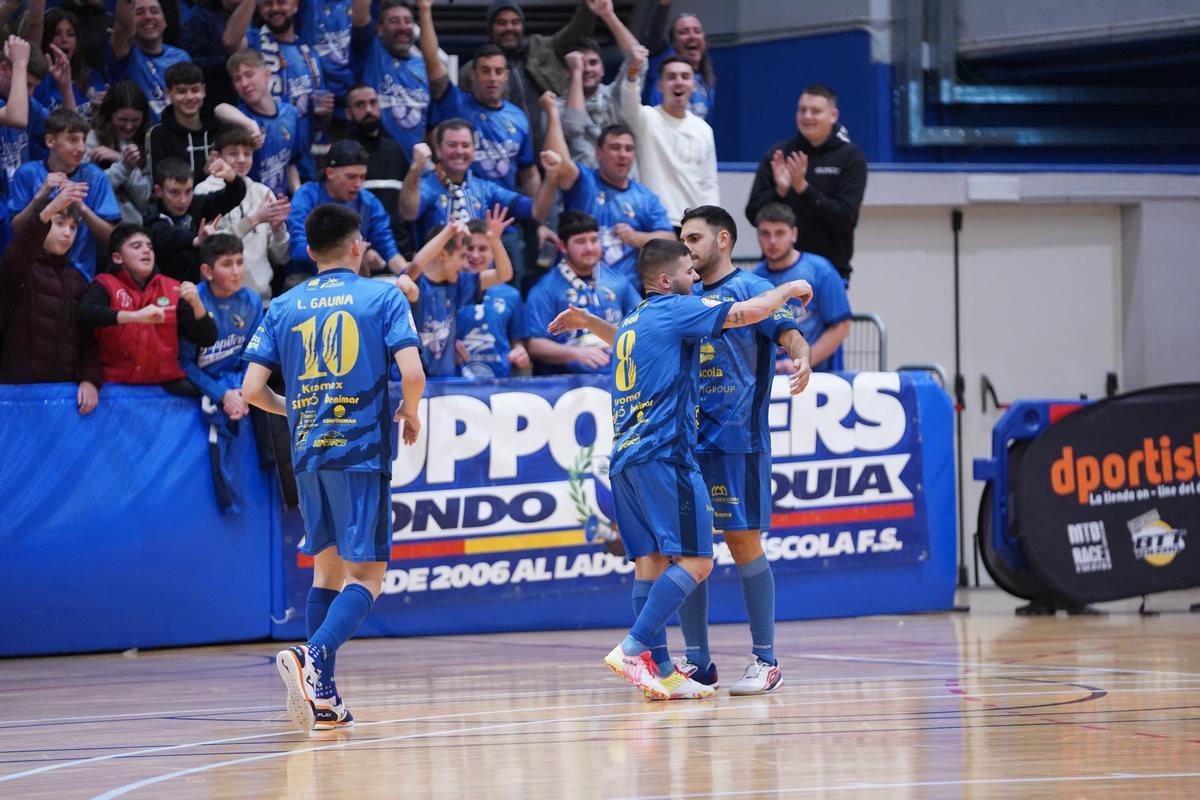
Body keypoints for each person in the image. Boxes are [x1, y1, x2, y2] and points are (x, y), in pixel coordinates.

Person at [546, 238, 812, 700]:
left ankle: (664, 671)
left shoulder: (633, 320)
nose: (697, 278)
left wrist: (590, 322)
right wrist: (788, 288)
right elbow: (744, 314)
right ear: (667, 280)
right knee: (697, 560)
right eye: (689, 270)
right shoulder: (674, 308)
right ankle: (635, 648)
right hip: (665, 454)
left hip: (625, 459)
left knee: (650, 563)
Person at [242, 202, 425, 732]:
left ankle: (322, 694)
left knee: (327, 572)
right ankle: (312, 657)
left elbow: (252, 391)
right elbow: (411, 372)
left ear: (308, 250)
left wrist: (294, 407)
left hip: (308, 450)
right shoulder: (382, 295)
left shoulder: (282, 304)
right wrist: (409, 412)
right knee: (368, 576)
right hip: (360, 449)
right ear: (358, 244)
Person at [674, 205, 812, 696]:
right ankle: (697, 663)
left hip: (738, 443)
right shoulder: (683, 295)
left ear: (724, 240)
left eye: (694, 238)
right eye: (682, 239)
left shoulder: (754, 290)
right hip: (688, 444)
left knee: (742, 542)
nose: (685, 247)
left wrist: (802, 358)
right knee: (688, 552)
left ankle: (766, 660)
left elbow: (790, 334)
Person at [541, 91, 672, 290]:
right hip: (576, 288)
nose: (623, 155)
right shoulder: (584, 182)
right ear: (599, 153)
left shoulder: (645, 197)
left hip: (625, 295)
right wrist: (552, 113)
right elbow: (556, 161)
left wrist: (637, 238)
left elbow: (670, 239)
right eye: (615, 148)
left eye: (628, 149)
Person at [744, 85, 868, 284]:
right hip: (776, 272)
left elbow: (845, 218)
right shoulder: (779, 154)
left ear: (833, 115)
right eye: (802, 110)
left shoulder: (850, 157)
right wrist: (780, 191)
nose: (807, 116)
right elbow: (752, 214)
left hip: (828, 273)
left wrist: (803, 188)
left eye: (816, 111)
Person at [0, 176, 103, 412]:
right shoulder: (19, 267)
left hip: (61, 400)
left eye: (73, 227)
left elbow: (88, 339)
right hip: (15, 397)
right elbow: (18, 254)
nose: (67, 233)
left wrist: (89, 378)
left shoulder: (78, 279)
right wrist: (48, 211)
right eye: (60, 223)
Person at [179, 232, 263, 513]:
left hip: (239, 389)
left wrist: (241, 391)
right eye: (227, 264)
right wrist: (222, 393)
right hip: (202, 388)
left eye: (240, 262)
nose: (237, 270)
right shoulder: (192, 302)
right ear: (207, 271)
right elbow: (185, 363)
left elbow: (254, 357)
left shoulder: (252, 301)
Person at [77, 221, 218, 387]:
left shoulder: (173, 288)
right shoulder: (103, 284)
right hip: (114, 387)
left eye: (150, 247)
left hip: (164, 387)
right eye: (136, 246)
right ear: (117, 257)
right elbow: (85, 314)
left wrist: (197, 303)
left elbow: (207, 338)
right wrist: (135, 317)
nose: (147, 250)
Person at [400, 118, 557, 250]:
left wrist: (550, 178)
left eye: (465, 145)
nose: (460, 151)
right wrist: (415, 168)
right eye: (452, 145)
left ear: (474, 150)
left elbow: (536, 210)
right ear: (439, 150)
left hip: (480, 276)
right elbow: (409, 212)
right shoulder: (428, 185)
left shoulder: (485, 189)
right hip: (437, 279)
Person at [8, 108, 120, 280]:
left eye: (84, 140)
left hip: (80, 276)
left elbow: (110, 237)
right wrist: (41, 195)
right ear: (50, 141)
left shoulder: (95, 176)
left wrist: (81, 206)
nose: (82, 148)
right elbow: (15, 230)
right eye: (73, 140)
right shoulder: (28, 173)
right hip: (34, 275)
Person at [524, 210, 640, 375]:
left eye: (594, 240)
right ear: (563, 246)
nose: (590, 247)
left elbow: (642, 324)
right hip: (569, 383)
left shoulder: (618, 280)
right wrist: (575, 354)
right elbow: (534, 344)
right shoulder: (545, 288)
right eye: (580, 241)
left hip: (621, 378)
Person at [457, 0, 596, 135]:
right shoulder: (471, 70)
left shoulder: (542, 48)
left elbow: (579, 30)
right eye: (501, 23)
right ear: (490, 29)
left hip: (555, 144)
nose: (509, 28)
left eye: (515, 22)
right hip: (505, 147)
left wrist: (588, 6)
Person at [407, 206, 513, 378]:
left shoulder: (460, 283)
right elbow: (416, 265)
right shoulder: (415, 282)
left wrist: (494, 241)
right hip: (414, 382)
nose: (466, 263)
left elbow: (504, 274)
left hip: (447, 380)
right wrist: (449, 231)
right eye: (461, 256)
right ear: (441, 255)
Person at [618, 48, 717, 229]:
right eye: (671, 77)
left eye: (685, 76)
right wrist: (632, 72)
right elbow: (629, 100)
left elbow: (709, 183)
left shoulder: (704, 130)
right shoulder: (646, 118)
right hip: (655, 222)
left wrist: (712, 223)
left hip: (693, 225)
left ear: (694, 85)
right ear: (660, 85)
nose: (678, 81)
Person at [194, 126, 291, 302]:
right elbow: (209, 245)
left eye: (247, 153)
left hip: (261, 299)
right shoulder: (203, 192)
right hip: (218, 300)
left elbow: (281, 257)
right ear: (216, 157)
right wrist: (254, 219)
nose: (241, 159)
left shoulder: (262, 192)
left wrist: (278, 229)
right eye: (233, 153)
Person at [752, 203, 850, 371]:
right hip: (771, 377)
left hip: (817, 376)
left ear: (794, 234)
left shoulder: (821, 270)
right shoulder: (754, 278)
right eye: (765, 234)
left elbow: (841, 327)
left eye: (780, 233)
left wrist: (802, 362)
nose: (772, 241)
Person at [287, 138, 405, 277]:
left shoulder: (369, 202)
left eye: (362, 177)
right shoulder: (307, 196)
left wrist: (406, 273)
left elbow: (389, 250)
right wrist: (352, 255)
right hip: (307, 281)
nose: (358, 184)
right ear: (330, 173)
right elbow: (298, 250)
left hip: (351, 284)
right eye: (351, 177)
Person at [557, 0, 643, 167]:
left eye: (593, 63)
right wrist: (576, 73)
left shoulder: (614, 95)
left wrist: (608, 16)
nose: (587, 69)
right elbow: (574, 128)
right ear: (567, 71)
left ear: (603, 69)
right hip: (584, 189)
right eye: (581, 63)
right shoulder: (556, 106)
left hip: (623, 187)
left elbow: (638, 60)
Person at [218, 47, 313, 197]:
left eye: (249, 75)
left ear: (267, 75)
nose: (244, 83)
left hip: (280, 202)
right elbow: (219, 109)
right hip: (249, 203)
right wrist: (249, 124)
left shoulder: (290, 113)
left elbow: (290, 163)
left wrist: (297, 193)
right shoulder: (239, 118)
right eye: (237, 79)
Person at [142, 154, 247, 284]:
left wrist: (231, 176)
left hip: (198, 289)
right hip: (164, 292)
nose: (183, 200)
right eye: (175, 192)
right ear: (158, 191)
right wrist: (196, 239)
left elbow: (232, 196)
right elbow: (167, 236)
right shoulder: (151, 215)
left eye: (188, 191)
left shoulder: (196, 205)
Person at [223, 0, 329, 125]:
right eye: (267, 3)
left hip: (305, 141)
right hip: (262, 139)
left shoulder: (309, 54)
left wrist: (326, 111)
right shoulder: (254, 42)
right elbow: (230, 42)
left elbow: (324, 116)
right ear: (260, 8)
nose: (275, 8)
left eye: (281, 2)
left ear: (295, 6)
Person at [350, 0, 429, 156]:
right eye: (394, 21)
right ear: (379, 28)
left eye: (408, 21)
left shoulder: (423, 66)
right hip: (375, 163)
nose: (402, 27)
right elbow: (360, 16)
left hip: (416, 167)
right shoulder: (369, 52)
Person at [344, 83, 413, 259]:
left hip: (399, 250)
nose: (368, 109)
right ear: (348, 113)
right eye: (360, 105)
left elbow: (407, 204)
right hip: (360, 253)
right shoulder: (344, 153)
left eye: (373, 103)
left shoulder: (395, 149)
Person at [455, 218, 528, 378]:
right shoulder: (447, 288)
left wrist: (520, 351)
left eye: (483, 249)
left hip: (499, 383)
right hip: (455, 381)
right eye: (470, 248)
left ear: (494, 253)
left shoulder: (511, 295)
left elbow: (516, 340)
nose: (475, 255)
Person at [109, 0, 191, 121]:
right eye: (139, 12)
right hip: (138, 135)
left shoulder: (181, 57)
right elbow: (123, 27)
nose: (148, 17)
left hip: (178, 134)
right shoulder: (126, 55)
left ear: (164, 20)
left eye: (154, 11)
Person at [145, 61, 222, 184]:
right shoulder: (158, 134)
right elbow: (160, 187)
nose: (190, 97)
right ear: (168, 93)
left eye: (195, 90)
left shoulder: (219, 129)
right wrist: (204, 175)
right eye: (181, 91)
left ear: (204, 90)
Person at [86, 80, 153, 223]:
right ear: (110, 114)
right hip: (99, 223)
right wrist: (124, 166)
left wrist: (120, 158)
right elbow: (89, 190)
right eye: (122, 119)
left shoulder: (148, 139)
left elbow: (144, 199)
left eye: (135, 120)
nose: (129, 126)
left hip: (135, 225)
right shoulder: (92, 139)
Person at [25, 2, 107, 118]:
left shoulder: (93, 76)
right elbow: (35, 24)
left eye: (70, 34)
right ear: (47, 38)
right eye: (56, 33)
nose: (64, 39)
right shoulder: (38, 80)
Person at [641, 0, 713, 119]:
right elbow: (655, 35)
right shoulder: (661, 65)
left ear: (704, 41)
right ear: (673, 43)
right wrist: (664, 6)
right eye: (683, 32)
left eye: (697, 31)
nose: (692, 36)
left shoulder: (706, 82)